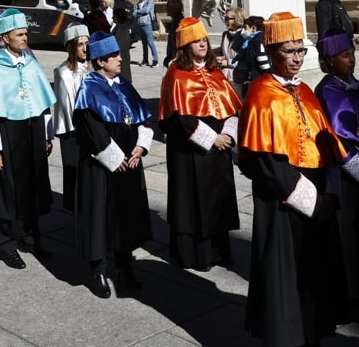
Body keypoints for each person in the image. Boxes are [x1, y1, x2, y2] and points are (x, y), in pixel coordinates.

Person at [238, 11, 351, 347]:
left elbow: (329, 144)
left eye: (301, 50)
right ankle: (285, 346)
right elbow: (265, 163)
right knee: (283, 275)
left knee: (316, 270)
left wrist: (331, 191)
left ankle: (313, 336)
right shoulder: (260, 94)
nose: (298, 57)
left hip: (318, 196)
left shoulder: (305, 90)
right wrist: (313, 202)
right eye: (289, 51)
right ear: (271, 51)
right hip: (284, 201)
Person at [0, 8, 57, 269]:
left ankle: (32, 237)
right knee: (4, 189)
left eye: (26, 33)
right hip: (7, 135)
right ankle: (6, 244)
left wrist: (47, 135)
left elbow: (43, 102)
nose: (25, 38)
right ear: (5, 37)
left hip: (32, 133)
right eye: (19, 34)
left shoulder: (30, 62)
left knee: (34, 185)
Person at [74, 30, 154, 299]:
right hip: (102, 165)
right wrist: (113, 156)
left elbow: (141, 118)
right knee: (99, 216)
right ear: (99, 61)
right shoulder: (89, 87)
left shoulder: (123, 84)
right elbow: (89, 128)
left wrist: (141, 146)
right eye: (114, 55)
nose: (120, 59)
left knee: (126, 215)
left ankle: (124, 263)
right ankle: (98, 269)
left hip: (129, 162)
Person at [158, 17, 242, 270]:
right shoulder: (176, 75)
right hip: (190, 150)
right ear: (185, 45)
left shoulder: (215, 71)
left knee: (219, 197)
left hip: (220, 149)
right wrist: (211, 139)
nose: (202, 44)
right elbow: (180, 118)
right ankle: (196, 255)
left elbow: (232, 107)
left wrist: (228, 133)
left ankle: (220, 251)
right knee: (192, 201)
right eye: (195, 40)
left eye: (203, 39)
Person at [314, 28, 359, 321]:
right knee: (348, 238)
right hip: (346, 176)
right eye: (345, 56)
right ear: (330, 61)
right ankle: (348, 295)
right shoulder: (328, 91)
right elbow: (335, 137)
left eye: (352, 53)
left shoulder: (354, 85)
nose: (351, 60)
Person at [51, 24, 90, 211]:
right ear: (70, 47)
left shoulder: (91, 69)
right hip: (72, 131)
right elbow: (66, 106)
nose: (84, 48)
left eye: (86, 43)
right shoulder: (63, 73)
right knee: (74, 170)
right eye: (79, 44)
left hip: (90, 128)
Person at [133, 0, 158, 67]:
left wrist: (138, 12)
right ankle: (145, 60)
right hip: (140, 24)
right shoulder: (137, 4)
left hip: (147, 24)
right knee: (144, 43)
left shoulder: (149, 2)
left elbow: (147, 11)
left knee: (150, 42)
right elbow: (134, 13)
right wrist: (139, 12)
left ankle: (155, 60)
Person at [219, 6, 246, 80]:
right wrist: (220, 59)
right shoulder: (225, 34)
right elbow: (223, 53)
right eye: (225, 19)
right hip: (224, 77)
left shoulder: (244, 36)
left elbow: (247, 63)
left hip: (239, 79)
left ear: (238, 19)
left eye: (229, 19)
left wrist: (228, 62)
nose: (226, 21)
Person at [111, 7, 134, 81]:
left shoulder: (124, 30)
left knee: (123, 77)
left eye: (114, 16)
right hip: (116, 57)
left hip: (122, 57)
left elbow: (120, 45)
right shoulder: (117, 27)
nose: (112, 18)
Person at [162, 0, 184, 69]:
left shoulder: (179, 22)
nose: (166, 9)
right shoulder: (176, 20)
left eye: (167, 6)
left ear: (173, 8)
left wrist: (172, 58)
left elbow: (177, 42)